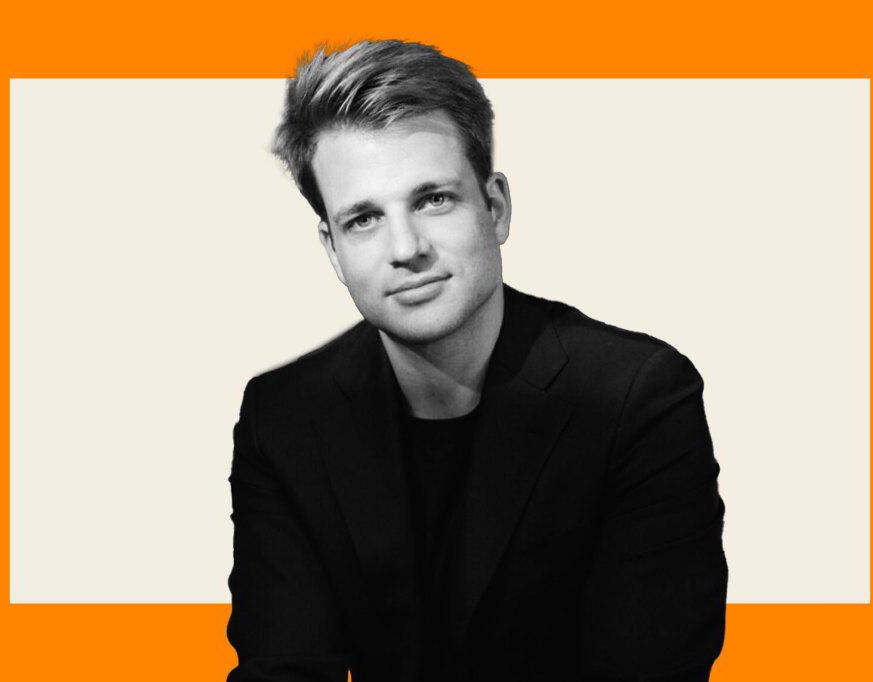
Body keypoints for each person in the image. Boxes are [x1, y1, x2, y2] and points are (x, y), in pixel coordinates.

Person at [227, 40, 728, 682]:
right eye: (364, 219)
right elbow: (283, 670)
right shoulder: (284, 418)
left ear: (495, 208)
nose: (406, 248)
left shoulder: (637, 397)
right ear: (332, 248)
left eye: (433, 199)